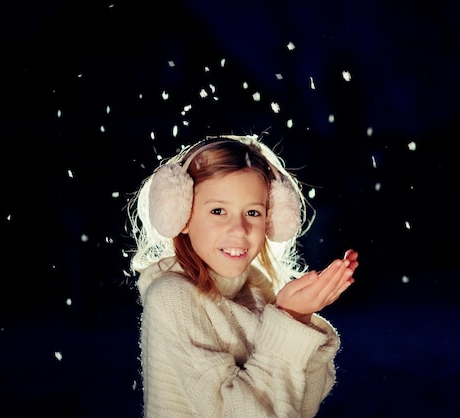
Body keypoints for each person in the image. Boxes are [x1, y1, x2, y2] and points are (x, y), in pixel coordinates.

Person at [126, 133, 359, 417]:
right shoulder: (172, 298)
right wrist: (288, 322)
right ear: (182, 216)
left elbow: (301, 407)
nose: (239, 229)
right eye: (218, 210)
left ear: (272, 219)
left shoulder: (260, 292)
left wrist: (299, 320)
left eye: (252, 212)